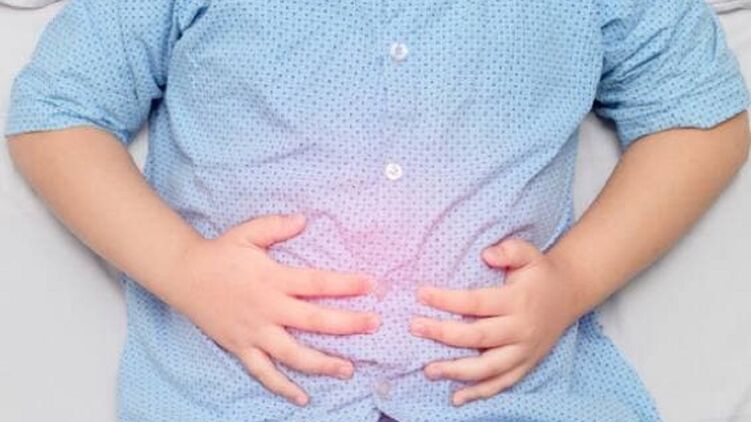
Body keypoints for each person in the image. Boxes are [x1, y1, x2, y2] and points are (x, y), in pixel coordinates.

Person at [4, 0, 750, 421]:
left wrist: (574, 279)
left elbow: (702, 114)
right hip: (236, 400)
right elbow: (57, 112)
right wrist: (186, 271)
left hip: (511, 400)